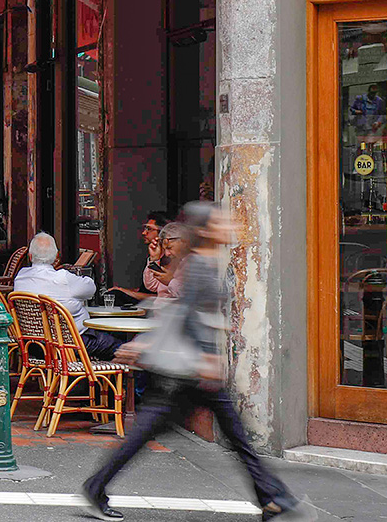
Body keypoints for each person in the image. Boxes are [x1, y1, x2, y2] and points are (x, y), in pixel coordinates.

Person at [81, 201, 312, 522]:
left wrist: (147, 343)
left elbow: (178, 310)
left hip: (183, 370)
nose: (229, 226)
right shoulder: (201, 265)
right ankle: (273, 500)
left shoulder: (199, 263)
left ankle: (272, 499)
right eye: (221, 223)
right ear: (206, 231)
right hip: (191, 371)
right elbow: (188, 313)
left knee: (163, 435)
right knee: (234, 438)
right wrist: (206, 357)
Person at [12, 233, 121, 360]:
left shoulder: (21, 277)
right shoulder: (63, 278)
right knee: (121, 347)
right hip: (69, 345)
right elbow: (91, 289)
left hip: (35, 346)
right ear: (57, 257)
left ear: (30, 256)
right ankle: (108, 378)